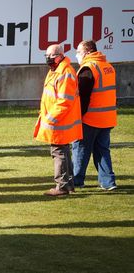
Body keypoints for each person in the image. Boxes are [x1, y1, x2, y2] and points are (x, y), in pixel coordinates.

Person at [33, 44, 82, 196]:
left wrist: (50, 118)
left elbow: (64, 101)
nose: (49, 59)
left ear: (60, 55)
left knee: (59, 153)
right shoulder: (55, 70)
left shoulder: (65, 73)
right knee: (64, 153)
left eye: (52, 56)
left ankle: (61, 187)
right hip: (58, 121)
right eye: (47, 56)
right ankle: (68, 185)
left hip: (59, 122)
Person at [72, 40, 118, 191]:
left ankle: (77, 180)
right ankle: (108, 182)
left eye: (78, 51)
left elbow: (83, 98)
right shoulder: (108, 67)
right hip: (107, 117)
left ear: (86, 52)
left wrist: (78, 116)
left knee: (80, 150)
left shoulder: (88, 68)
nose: (77, 55)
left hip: (91, 118)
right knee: (102, 151)